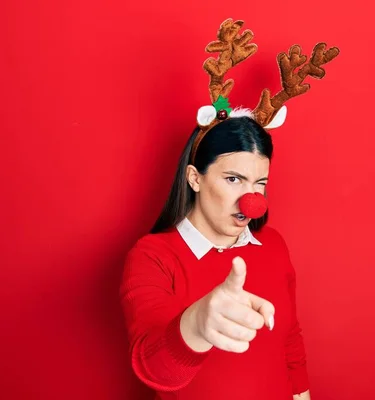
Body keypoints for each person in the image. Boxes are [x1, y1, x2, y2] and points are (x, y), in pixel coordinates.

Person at [119, 18, 339, 400]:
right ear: (195, 178)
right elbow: (151, 364)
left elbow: (290, 342)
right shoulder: (152, 256)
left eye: (259, 184)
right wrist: (198, 324)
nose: (251, 200)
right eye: (233, 179)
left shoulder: (274, 246)